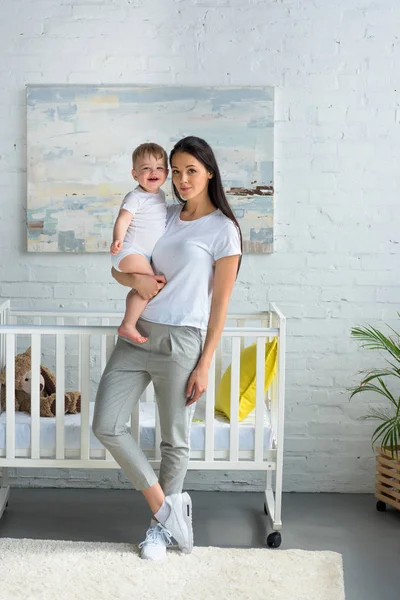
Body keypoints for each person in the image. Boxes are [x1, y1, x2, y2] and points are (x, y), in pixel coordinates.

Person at [93, 136, 242, 561]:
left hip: (183, 341)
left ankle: (158, 530)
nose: (180, 179)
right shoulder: (164, 213)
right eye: (175, 171)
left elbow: (220, 305)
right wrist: (132, 281)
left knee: (174, 440)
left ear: (210, 171)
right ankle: (167, 509)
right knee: (106, 425)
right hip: (139, 333)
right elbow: (122, 266)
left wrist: (205, 363)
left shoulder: (224, 231)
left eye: (190, 170)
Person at [110, 142, 168, 344]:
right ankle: (128, 324)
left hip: (140, 255)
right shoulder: (135, 196)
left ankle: (129, 322)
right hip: (129, 251)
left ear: (167, 173)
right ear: (135, 175)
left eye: (159, 168)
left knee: (140, 289)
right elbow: (123, 219)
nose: (153, 172)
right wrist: (117, 238)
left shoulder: (160, 196)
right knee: (150, 284)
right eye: (146, 169)